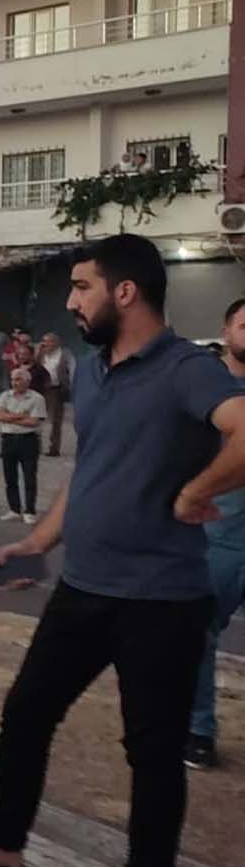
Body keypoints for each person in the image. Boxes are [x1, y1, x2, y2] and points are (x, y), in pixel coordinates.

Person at [0, 235, 245, 867]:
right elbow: (93, 468)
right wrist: (38, 542)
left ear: (124, 291)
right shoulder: (94, 370)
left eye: (81, 286)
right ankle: (3, 843)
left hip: (162, 598)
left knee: (152, 748)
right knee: (27, 711)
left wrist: (197, 489)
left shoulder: (187, 369)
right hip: (86, 586)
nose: (71, 300)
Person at [189, 298, 245, 771]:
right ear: (227, 330)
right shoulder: (205, 391)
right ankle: (199, 730)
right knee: (198, 634)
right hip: (220, 535)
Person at [0, 366, 46, 524]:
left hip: (28, 440)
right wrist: (21, 416)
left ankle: (30, 511)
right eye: (13, 379)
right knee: (10, 476)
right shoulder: (5, 396)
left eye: (18, 379)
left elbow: (34, 421)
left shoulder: (37, 398)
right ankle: (14, 509)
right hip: (8, 438)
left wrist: (10, 416)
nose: (14, 383)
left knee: (29, 476)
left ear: (27, 381)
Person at [36, 332, 75, 456]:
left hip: (57, 389)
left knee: (55, 421)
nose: (45, 344)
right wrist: (37, 351)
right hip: (42, 389)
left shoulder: (65, 354)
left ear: (56, 342)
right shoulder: (41, 353)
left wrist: (71, 385)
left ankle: (54, 448)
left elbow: (73, 369)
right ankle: (35, 446)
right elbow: (34, 365)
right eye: (44, 341)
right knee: (37, 417)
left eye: (48, 341)